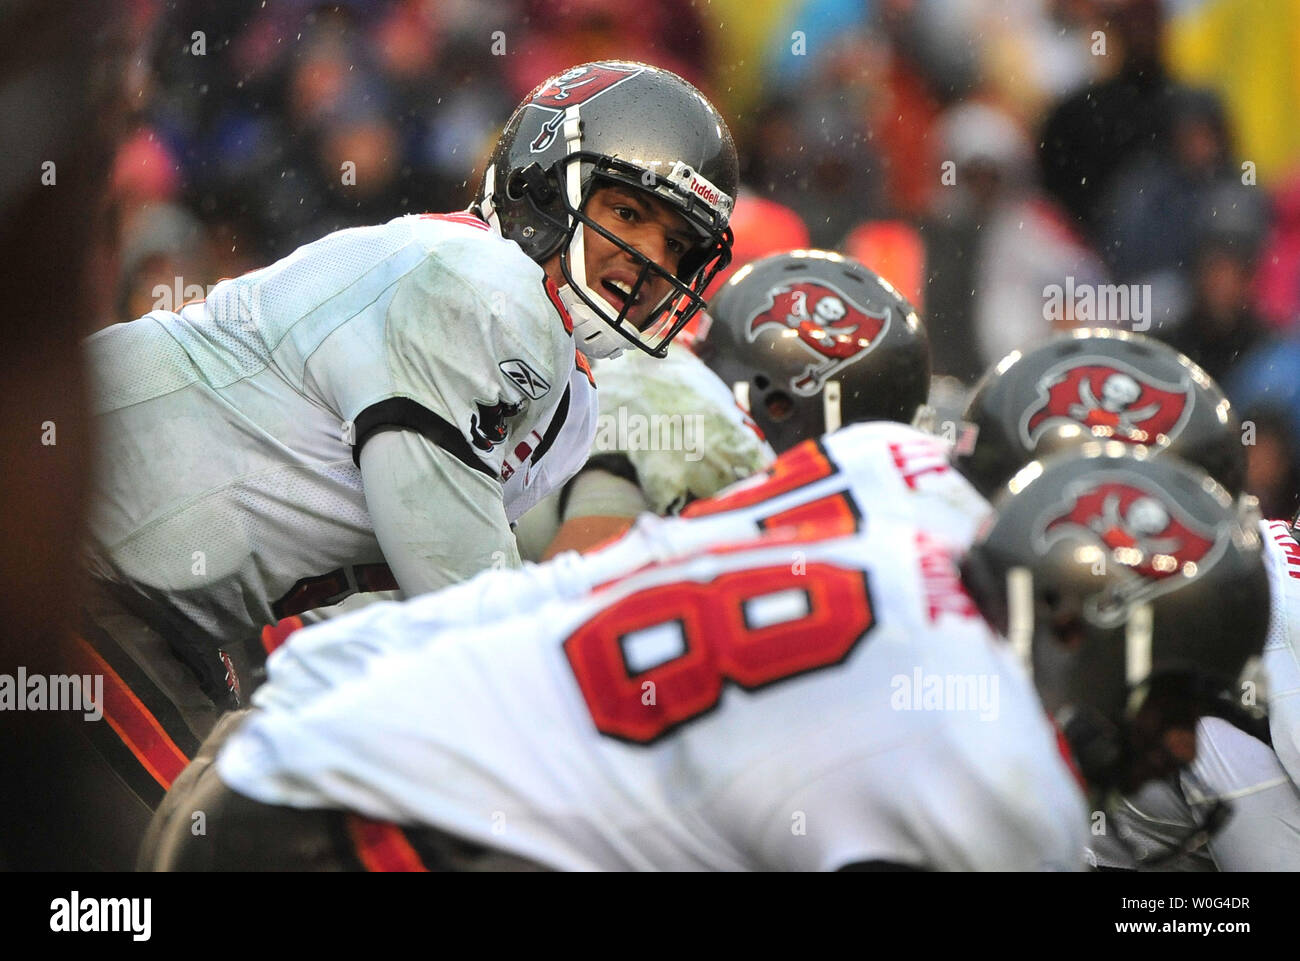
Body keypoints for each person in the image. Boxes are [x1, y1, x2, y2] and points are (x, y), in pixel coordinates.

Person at [78, 60, 738, 859]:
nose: (648, 256)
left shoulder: (569, 387)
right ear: (542, 183)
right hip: (78, 556)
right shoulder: (479, 282)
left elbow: (415, 608)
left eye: (676, 240)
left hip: (164, 604)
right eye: (628, 212)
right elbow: (464, 601)